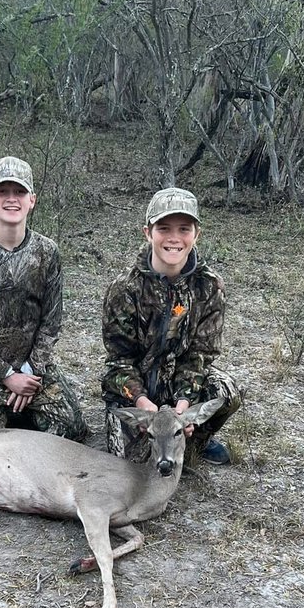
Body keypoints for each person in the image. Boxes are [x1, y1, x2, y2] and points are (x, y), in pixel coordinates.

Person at [0, 156, 88, 441]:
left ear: (32, 200)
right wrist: (6, 375)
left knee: (71, 430)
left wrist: (30, 371)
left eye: (19, 192)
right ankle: (9, 410)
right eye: (3, 191)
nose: (11, 199)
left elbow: (51, 322)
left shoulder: (47, 252)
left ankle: (20, 411)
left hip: (32, 366)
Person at [101, 186, 240, 464]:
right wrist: (142, 403)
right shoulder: (124, 289)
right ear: (148, 232)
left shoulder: (209, 286)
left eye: (184, 229)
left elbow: (199, 356)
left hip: (180, 391)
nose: (174, 238)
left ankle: (193, 439)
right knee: (132, 463)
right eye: (163, 228)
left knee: (227, 391)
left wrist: (183, 407)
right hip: (138, 393)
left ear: (196, 234)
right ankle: (163, 436)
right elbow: (118, 362)